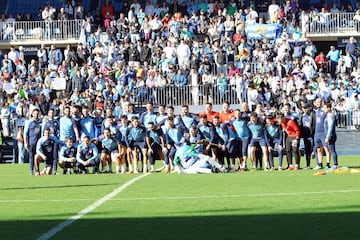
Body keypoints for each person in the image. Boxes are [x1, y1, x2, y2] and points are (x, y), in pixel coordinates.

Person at [24, 109, 42, 175]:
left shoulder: (40, 122)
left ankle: (37, 170)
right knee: (31, 157)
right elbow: (25, 133)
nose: (36, 115)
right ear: (32, 114)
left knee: (37, 157)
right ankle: (31, 170)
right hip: (31, 142)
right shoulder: (29, 122)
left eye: (37, 113)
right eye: (35, 113)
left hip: (39, 143)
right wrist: (26, 142)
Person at [323, 102, 339, 170]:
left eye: (325, 108)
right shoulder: (329, 115)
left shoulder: (330, 116)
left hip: (331, 135)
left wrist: (328, 136)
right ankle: (335, 164)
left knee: (332, 150)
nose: (324, 109)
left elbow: (330, 127)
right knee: (332, 149)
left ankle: (335, 164)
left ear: (328, 108)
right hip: (330, 135)